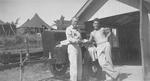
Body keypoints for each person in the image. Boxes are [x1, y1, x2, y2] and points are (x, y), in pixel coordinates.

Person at [65, 17, 82, 81]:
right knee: (74, 66)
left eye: (76, 21)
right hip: (72, 47)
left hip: (78, 47)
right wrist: (77, 41)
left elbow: (80, 37)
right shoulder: (68, 29)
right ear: (71, 22)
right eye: (74, 21)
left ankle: (79, 79)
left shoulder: (78, 29)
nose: (75, 23)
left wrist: (81, 42)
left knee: (79, 65)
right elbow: (69, 39)